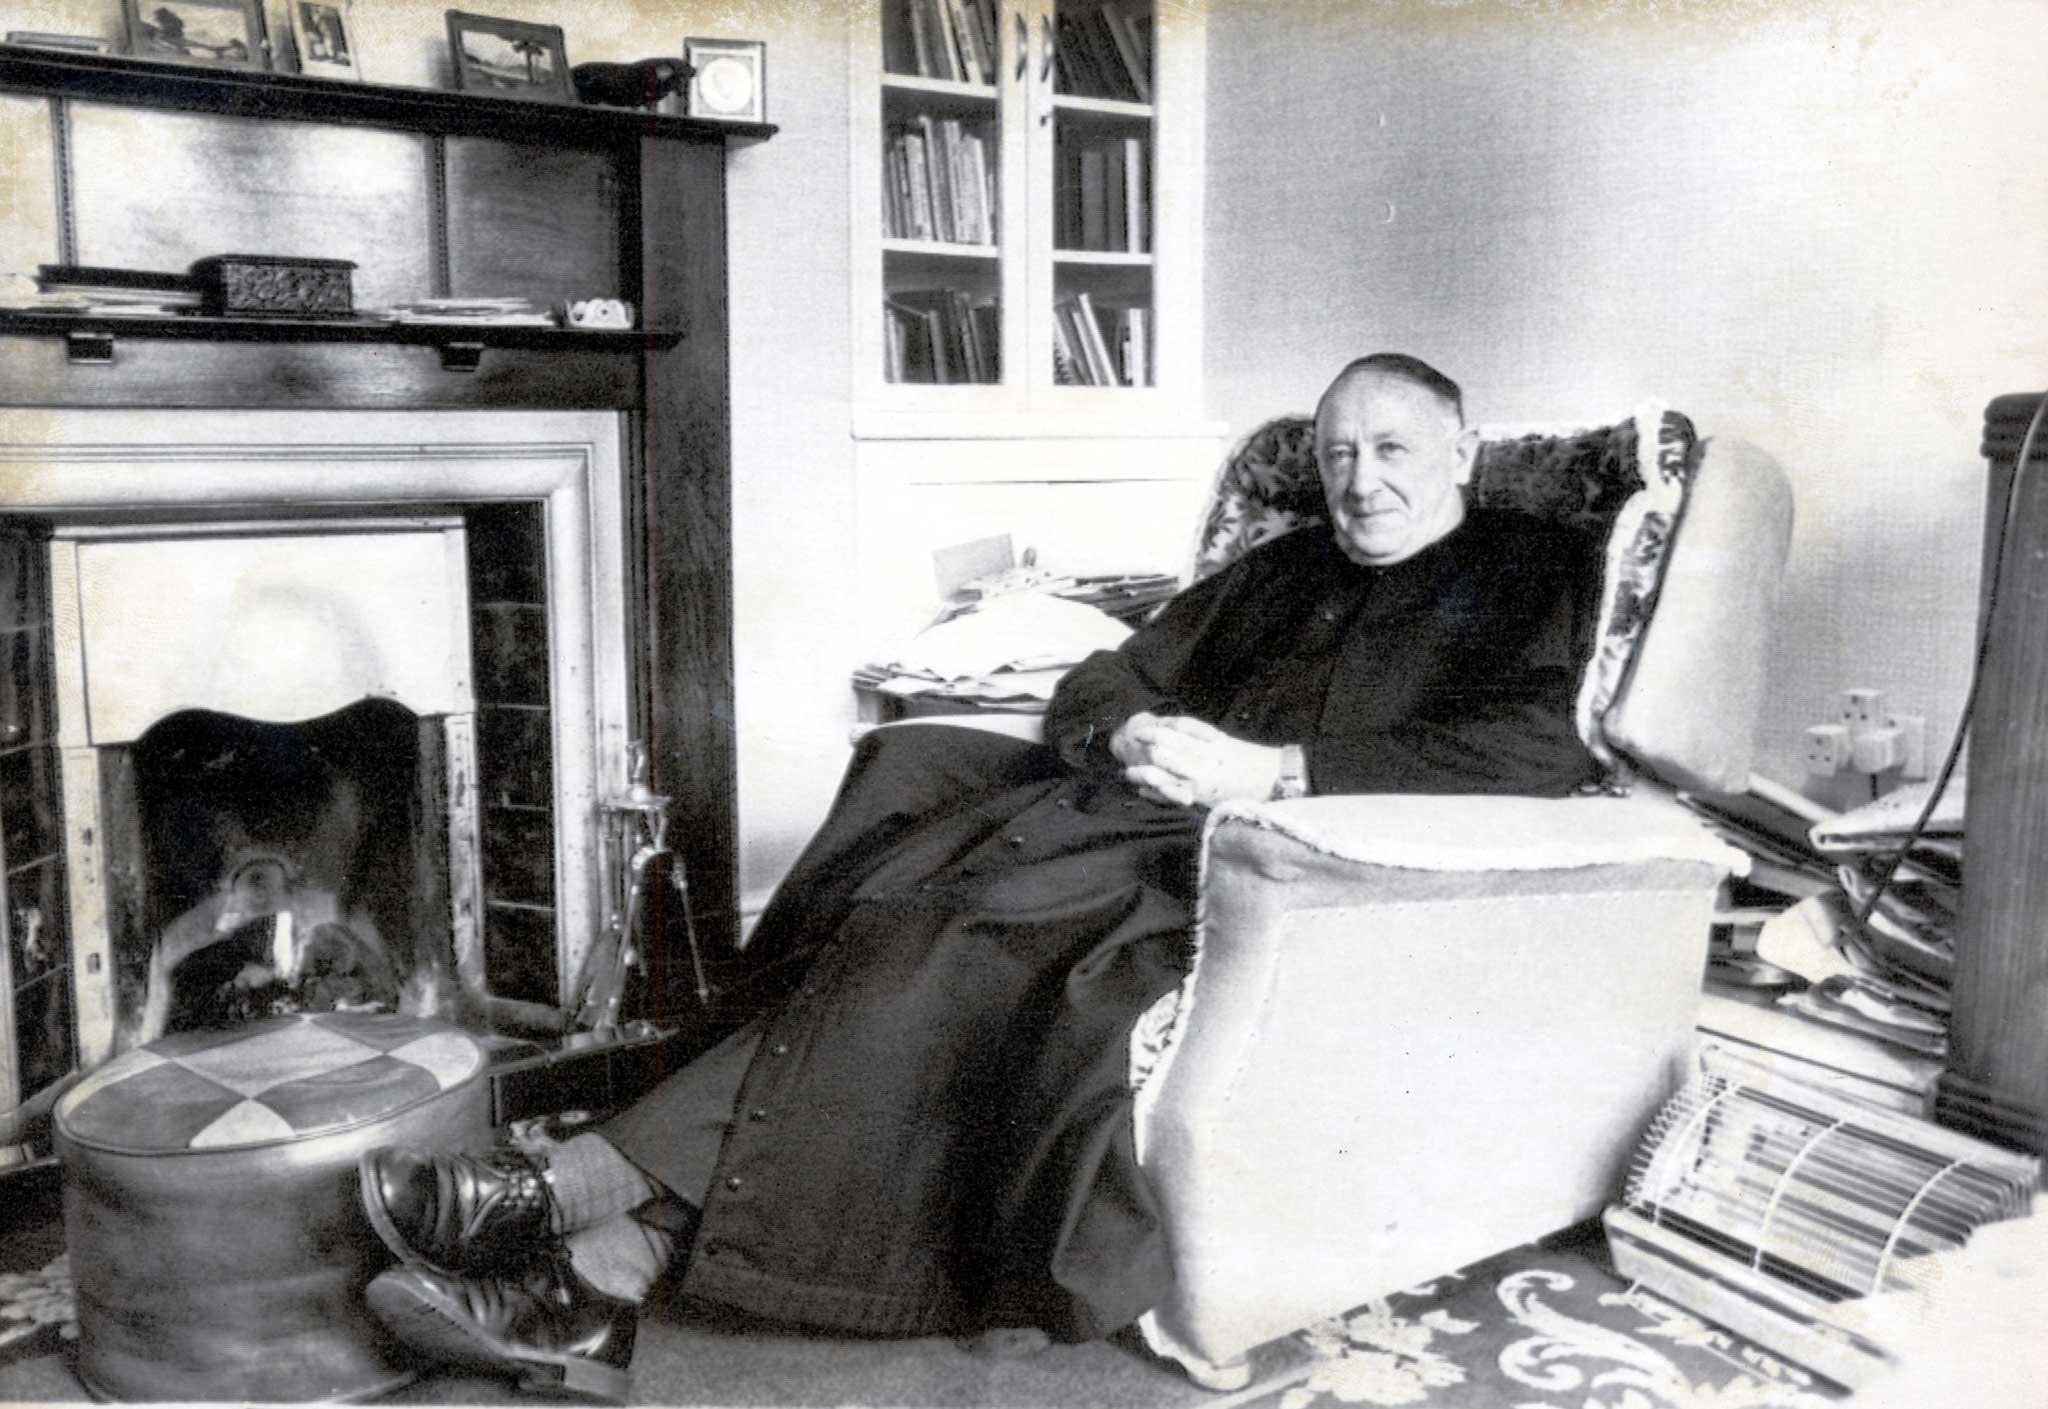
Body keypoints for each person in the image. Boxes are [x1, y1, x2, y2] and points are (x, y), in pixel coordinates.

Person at [351, 353, 1607, 1401]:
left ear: (1458, 449)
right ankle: (592, 1243)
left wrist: (1274, 767)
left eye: (1391, 449)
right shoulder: (1282, 566)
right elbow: (1106, 674)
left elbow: (1536, 746)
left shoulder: (1520, 569)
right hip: (1125, 805)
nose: (1358, 479)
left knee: (945, 931)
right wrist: (1129, 731)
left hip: (1267, 860)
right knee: (893, 813)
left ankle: (585, 1230)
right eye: (1336, 452)